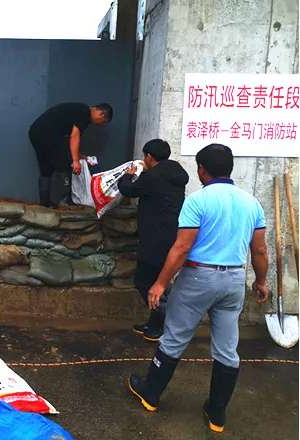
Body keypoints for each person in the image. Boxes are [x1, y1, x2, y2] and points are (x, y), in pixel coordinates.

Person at [127, 144, 269, 433]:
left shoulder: (198, 200)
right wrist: (261, 281)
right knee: (227, 349)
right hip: (233, 280)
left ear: (202, 170)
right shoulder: (251, 203)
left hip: (198, 278)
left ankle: (150, 394)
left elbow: (181, 248)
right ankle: (216, 414)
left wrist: (160, 283)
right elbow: (260, 250)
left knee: (174, 338)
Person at [117, 139, 189, 341]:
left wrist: (128, 175)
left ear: (149, 157)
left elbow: (128, 190)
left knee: (144, 282)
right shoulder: (176, 173)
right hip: (171, 235)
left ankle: (162, 323)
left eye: (144, 156)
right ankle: (155, 323)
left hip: (154, 239)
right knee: (158, 280)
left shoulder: (153, 176)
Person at [28, 102, 112, 207]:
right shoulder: (84, 113)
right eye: (102, 122)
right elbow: (74, 136)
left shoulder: (79, 110)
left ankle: (44, 203)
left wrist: (79, 156)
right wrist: (75, 161)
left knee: (46, 167)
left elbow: (68, 142)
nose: (99, 125)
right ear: (101, 114)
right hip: (48, 134)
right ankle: (66, 200)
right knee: (67, 164)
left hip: (36, 131)